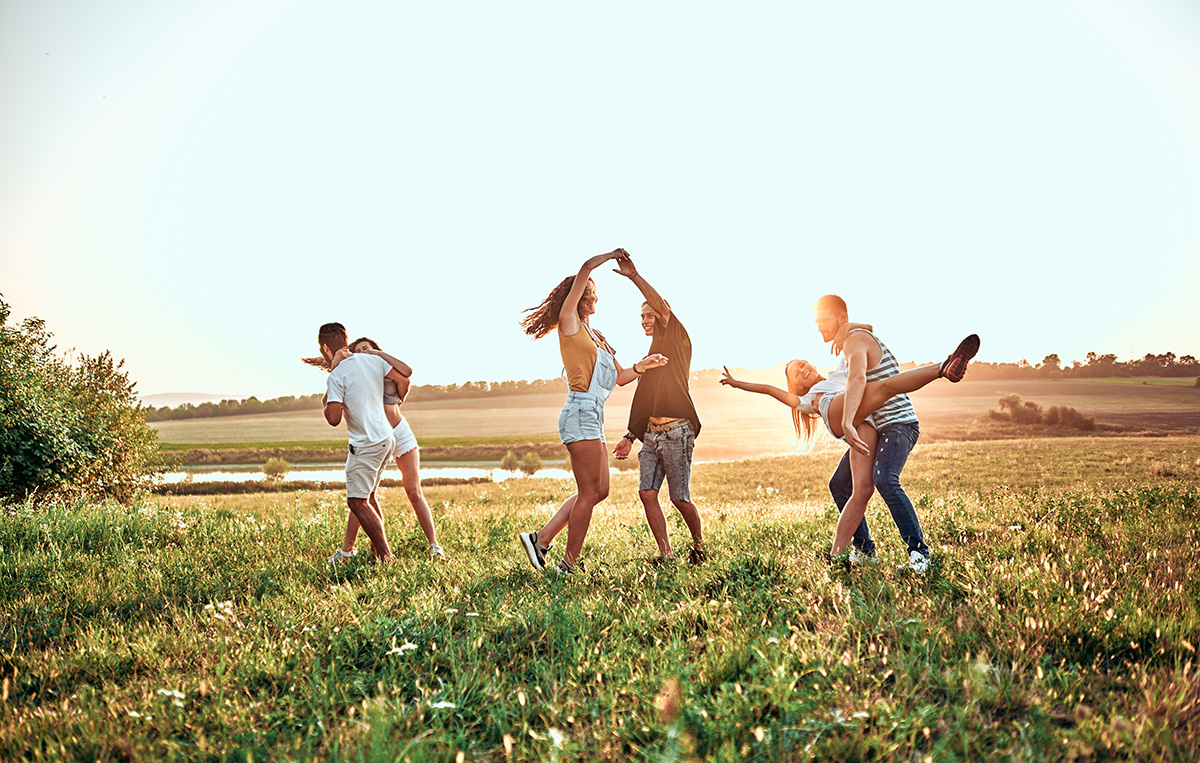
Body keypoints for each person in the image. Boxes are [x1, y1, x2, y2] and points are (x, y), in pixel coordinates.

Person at [721, 321, 979, 569]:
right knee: (886, 387)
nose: (802, 370)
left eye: (802, 364)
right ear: (798, 385)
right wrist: (737, 383)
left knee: (859, 490)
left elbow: (865, 335)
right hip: (836, 413)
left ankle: (855, 552)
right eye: (796, 373)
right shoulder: (806, 397)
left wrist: (845, 331)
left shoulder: (841, 369)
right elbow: (768, 389)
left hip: (863, 424)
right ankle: (942, 367)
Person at [516, 249, 669, 575]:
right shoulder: (569, 324)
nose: (593, 298)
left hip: (594, 416)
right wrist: (611, 256)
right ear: (576, 295)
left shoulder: (597, 336)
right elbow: (585, 267)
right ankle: (567, 564)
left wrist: (643, 365)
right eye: (588, 292)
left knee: (600, 490)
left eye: (594, 294)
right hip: (579, 411)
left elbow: (620, 378)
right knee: (588, 492)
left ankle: (540, 539)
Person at [609, 253, 706, 565]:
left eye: (650, 314)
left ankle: (699, 547)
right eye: (641, 316)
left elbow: (661, 307)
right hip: (651, 434)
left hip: (678, 431)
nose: (645, 319)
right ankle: (666, 555)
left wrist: (635, 277)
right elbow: (644, 397)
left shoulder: (676, 335)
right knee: (647, 493)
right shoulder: (651, 356)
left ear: (663, 314)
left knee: (679, 497)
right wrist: (630, 436)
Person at [323, 337, 446, 563]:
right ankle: (352, 550)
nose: (362, 352)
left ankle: (434, 546)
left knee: (413, 492)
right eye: (357, 350)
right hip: (377, 437)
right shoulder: (360, 375)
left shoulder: (382, 368)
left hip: (399, 433)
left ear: (375, 349)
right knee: (365, 495)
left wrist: (379, 356)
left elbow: (406, 376)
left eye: (366, 348)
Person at [308, 322, 412, 564]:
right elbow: (403, 377)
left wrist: (325, 399)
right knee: (370, 497)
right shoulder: (371, 360)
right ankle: (377, 553)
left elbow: (333, 419)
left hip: (366, 444)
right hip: (387, 437)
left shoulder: (336, 376)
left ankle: (386, 557)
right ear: (346, 340)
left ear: (325, 348)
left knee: (356, 501)